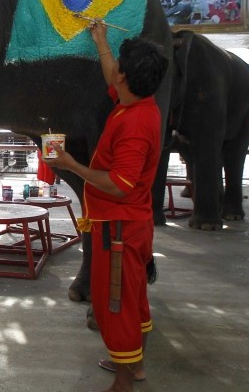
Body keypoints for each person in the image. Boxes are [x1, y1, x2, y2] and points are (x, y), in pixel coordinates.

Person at [44, 22, 168, 392]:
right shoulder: (138, 103)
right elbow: (111, 76)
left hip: (118, 227)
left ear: (127, 77)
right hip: (131, 222)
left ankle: (124, 382)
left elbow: (118, 185)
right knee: (132, 295)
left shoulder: (133, 124)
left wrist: (71, 166)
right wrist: (101, 42)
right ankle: (135, 365)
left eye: (119, 70)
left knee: (115, 302)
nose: (114, 75)